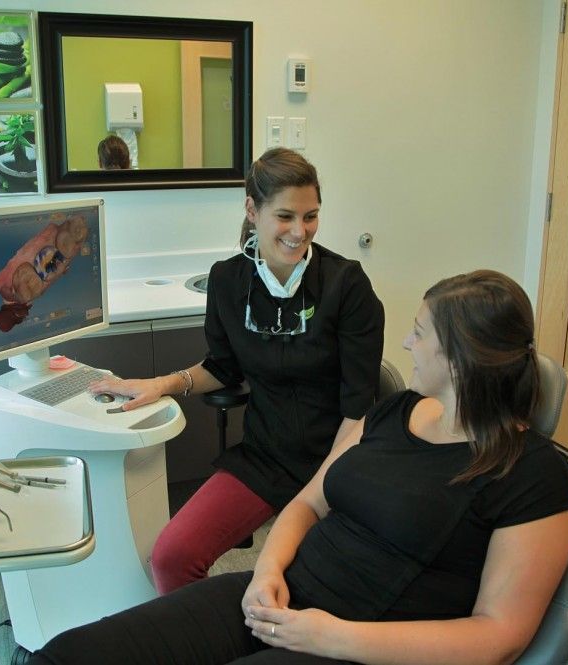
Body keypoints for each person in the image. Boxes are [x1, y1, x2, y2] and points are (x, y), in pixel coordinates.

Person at [32, 270, 568, 665]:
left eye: (420, 332)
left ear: (460, 357)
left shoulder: (532, 476)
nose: (407, 343)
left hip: (363, 647)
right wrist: (267, 573)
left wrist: (331, 637)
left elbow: (499, 636)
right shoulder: (395, 412)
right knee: (70, 655)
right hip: (284, 596)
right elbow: (309, 502)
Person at [89, 147, 385, 593]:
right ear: (252, 210)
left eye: (311, 217)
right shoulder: (228, 281)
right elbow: (222, 368)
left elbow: (358, 409)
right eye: (285, 216)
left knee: (310, 582)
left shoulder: (346, 285)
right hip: (266, 458)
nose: (300, 231)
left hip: (339, 459)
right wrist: (163, 384)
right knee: (172, 557)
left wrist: (317, 493)